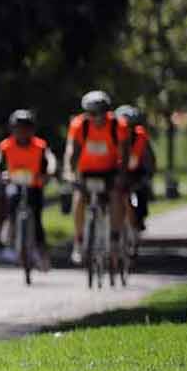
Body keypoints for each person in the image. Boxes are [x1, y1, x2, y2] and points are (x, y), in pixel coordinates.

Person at [64, 89, 128, 265]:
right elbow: (71, 151)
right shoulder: (79, 125)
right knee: (79, 198)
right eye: (92, 114)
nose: (97, 118)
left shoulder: (118, 125)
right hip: (86, 171)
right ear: (86, 113)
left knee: (116, 195)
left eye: (101, 113)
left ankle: (114, 238)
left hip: (110, 170)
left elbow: (125, 153)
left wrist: (121, 176)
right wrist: (69, 172)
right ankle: (79, 240)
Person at [0, 109, 55, 267]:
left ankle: (41, 250)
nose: (22, 132)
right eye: (18, 128)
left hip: (34, 185)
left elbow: (50, 160)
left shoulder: (40, 145)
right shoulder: (6, 145)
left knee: (37, 218)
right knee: (12, 203)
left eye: (26, 128)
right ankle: (10, 227)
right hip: (14, 183)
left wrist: (48, 173)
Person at [117, 104, 154, 233]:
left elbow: (149, 158)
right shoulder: (113, 136)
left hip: (137, 172)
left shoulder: (141, 137)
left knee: (142, 191)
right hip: (120, 171)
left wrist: (148, 176)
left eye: (130, 127)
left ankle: (140, 219)